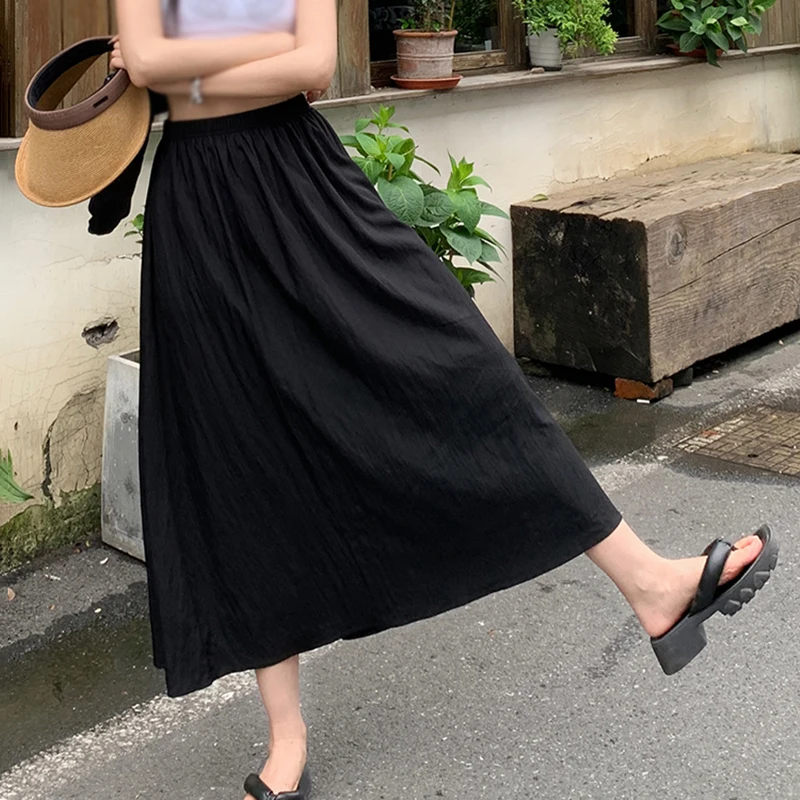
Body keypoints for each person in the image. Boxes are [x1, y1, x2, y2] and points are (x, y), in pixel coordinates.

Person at [111, 2, 778, 798]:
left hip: (299, 182)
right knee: (240, 448)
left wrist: (188, 58)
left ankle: (652, 583)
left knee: (453, 361)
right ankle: (286, 739)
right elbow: (152, 65)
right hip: (198, 206)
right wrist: (244, 53)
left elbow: (310, 65)